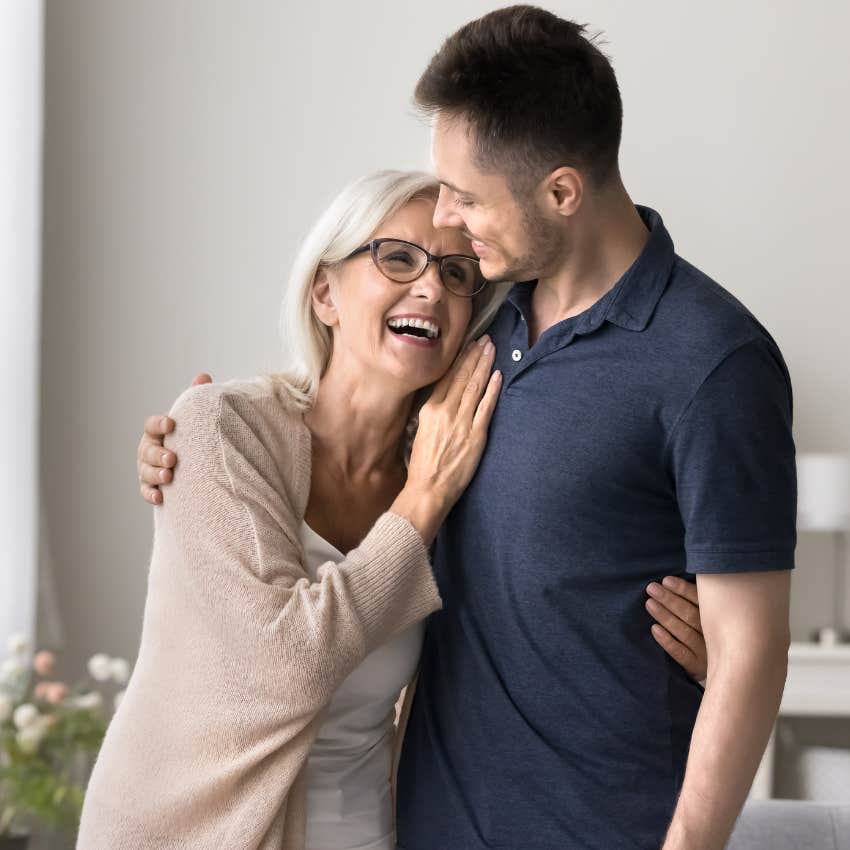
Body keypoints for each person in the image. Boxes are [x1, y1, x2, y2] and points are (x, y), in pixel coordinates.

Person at [134, 7, 792, 850]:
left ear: (561, 191)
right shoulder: (477, 326)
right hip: (421, 828)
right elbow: (335, 415)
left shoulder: (712, 363)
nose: (448, 219)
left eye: (468, 197)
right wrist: (181, 448)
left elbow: (751, 654)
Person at [79, 170, 511, 849]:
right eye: (398, 257)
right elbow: (287, 666)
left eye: (459, 274)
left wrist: (707, 639)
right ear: (324, 291)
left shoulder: (460, 472)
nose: (432, 287)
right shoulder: (219, 430)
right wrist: (422, 498)